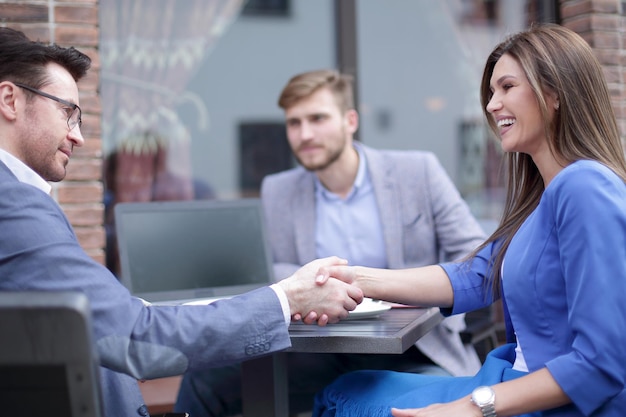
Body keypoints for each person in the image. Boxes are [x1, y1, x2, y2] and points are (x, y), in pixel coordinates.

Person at [0, 28, 363, 417]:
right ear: (10, 100)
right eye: (67, 112)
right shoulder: (13, 201)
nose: (78, 137)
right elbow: (136, 339)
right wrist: (288, 297)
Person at [312, 24, 626, 417]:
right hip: (508, 381)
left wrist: (473, 408)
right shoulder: (543, 199)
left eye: (507, 87)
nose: (492, 105)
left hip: (550, 404)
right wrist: (354, 278)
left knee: (342, 398)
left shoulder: (584, 186)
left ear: (556, 93)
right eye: (492, 92)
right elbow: (475, 276)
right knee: (345, 388)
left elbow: (602, 363)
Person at [175, 69, 486, 416]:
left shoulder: (417, 172)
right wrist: (327, 282)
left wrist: (401, 288)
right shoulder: (278, 190)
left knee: (429, 404)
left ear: (350, 120)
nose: (305, 134)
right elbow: (272, 270)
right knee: (202, 380)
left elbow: (474, 256)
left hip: (414, 348)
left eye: (317, 118)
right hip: (319, 349)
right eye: (294, 123)